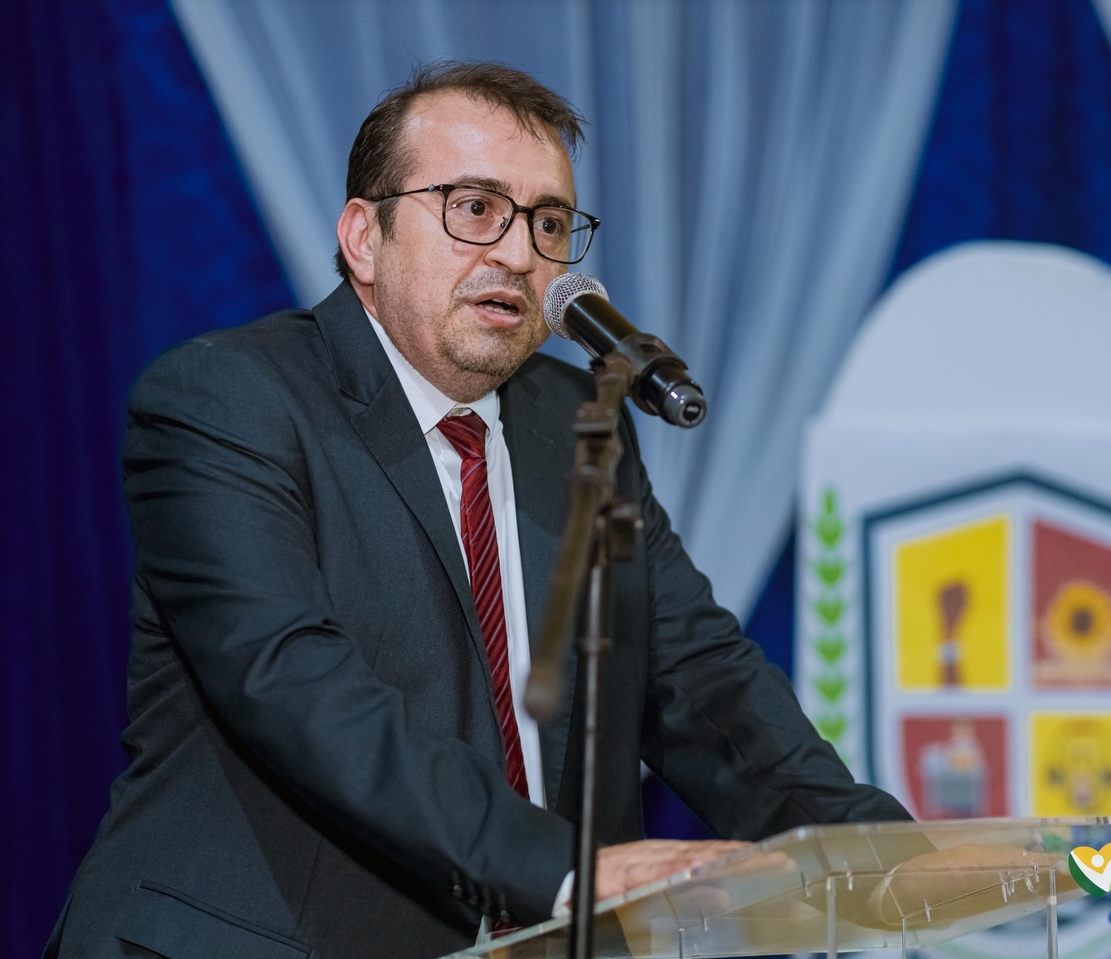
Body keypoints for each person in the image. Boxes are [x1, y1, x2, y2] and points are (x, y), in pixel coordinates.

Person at [45, 61, 911, 959]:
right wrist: (562, 873)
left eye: (548, 223)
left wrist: (869, 846)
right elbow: (294, 683)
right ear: (364, 237)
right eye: (474, 207)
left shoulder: (581, 426)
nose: (519, 254)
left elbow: (698, 677)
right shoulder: (229, 400)